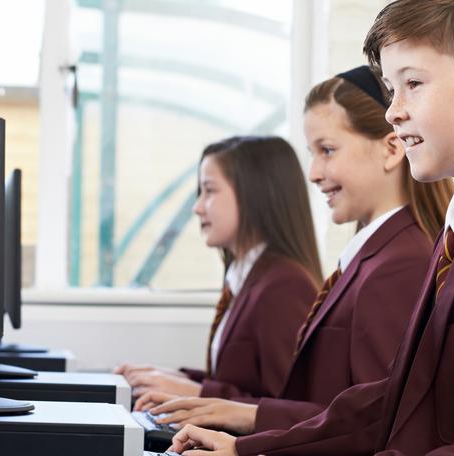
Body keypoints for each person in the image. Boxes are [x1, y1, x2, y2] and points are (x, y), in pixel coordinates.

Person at [168, 0, 454, 455]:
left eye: (413, 84)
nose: (393, 112)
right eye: (391, 88)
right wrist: (249, 449)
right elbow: (396, 403)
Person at [136, 67, 453, 435]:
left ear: (391, 149)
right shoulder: (373, 258)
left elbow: (379, 422)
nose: (314, 173)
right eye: (312, 153)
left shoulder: (400, 264)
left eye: (328, 150)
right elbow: (335, 403)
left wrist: (245, 421)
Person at [118, 136, 322, 403]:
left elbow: (288, 410)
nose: (197, 207)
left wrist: (196, 393)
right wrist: (173, 379)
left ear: (254, 194)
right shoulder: (245, 275)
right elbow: (239, 384)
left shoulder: (285, 285)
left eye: (209, 191)